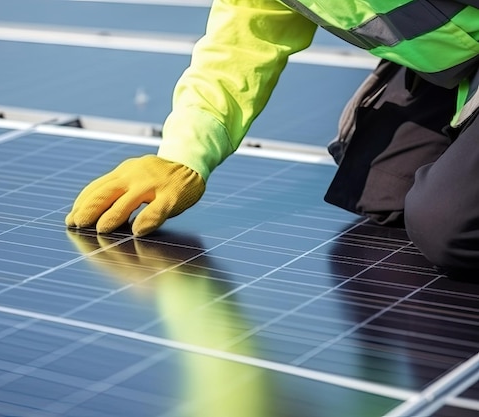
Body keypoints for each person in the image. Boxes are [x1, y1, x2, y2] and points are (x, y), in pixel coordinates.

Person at [66, 0, 479, 276]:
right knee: (381, 192)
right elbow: (237, 53)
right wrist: (180, 156)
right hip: (455, 59)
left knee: (448, 228)